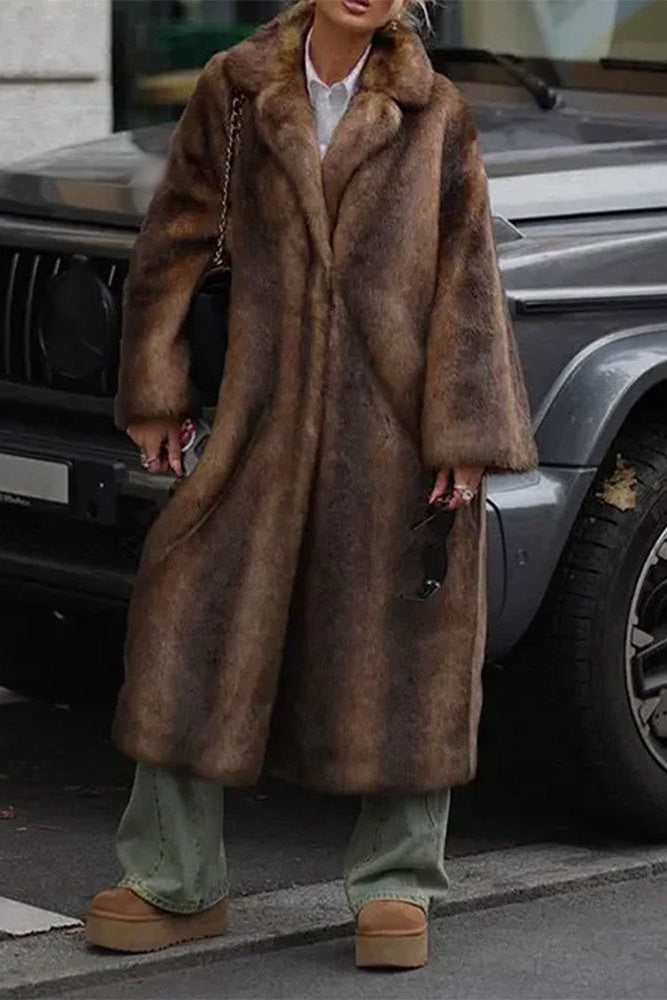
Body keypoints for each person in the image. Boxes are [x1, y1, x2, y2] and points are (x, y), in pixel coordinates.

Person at [86, 0, 537, 970]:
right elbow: (176, 235)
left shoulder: (434, 110)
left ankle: (397, 881)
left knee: (409, 637)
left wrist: (466, 433)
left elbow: (467, 272)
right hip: (260, 414)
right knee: (188, 612)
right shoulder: (237, 87)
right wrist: (156, 390)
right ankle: (174, 877)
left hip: (394, 424)